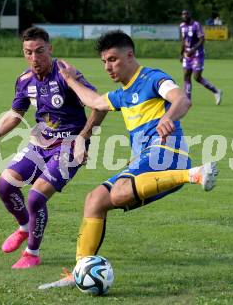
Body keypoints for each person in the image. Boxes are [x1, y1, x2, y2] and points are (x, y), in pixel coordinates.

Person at [38, 30, 219, 289]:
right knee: (95, 200)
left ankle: (194, 173)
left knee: (120, 191)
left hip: (168, 155)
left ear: (130, 55)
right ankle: (79, 271)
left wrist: (169, 118)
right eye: (104, 62)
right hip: (147, 164)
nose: (108, 67)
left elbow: (182, 99)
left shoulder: (153, 78)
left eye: (112, 59)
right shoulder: (122, 93)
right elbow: (96, 102)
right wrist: (70, 80)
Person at [0, 27, 106, 269]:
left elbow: (98, 105)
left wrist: (83, 137)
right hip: (40, 143)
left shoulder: (66, 74)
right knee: (4, 186)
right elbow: (14, 116)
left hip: (69, 146)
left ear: (50, 49)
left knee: (36, 197)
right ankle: (25, 227)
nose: (34, 58)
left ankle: (32, 253)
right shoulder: (25, 80)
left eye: (39, 51)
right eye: (28, 52)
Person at [180, 10, 222, 105]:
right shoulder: (182, 26)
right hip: (187, 55)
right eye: (183, 14)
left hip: (197, 54)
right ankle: (187, 100)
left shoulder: (196, 25)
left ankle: (216, 91)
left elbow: (202, 39)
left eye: (186, 14)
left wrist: (193, 50)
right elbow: (183, 40)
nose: (185, 16)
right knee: (186, 75)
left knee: (197, 77)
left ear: (190, 15)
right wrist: (181, 53)